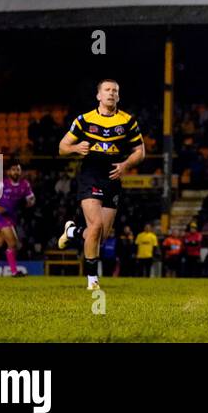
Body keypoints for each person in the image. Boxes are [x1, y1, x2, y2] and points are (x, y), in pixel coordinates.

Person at [57, 79, 145, 290]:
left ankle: (72, 232)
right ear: (98, 96)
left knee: (101, 236)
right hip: (91, 176)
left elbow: (140, 151)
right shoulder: (84, 120)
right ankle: (92, 280)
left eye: (115, 90)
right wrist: (76, 148)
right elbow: (62, 147)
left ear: (118, 96)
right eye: (107, 90)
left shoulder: (128, 121)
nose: (111, 93)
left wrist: (125, 165)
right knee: (95, 227)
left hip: (113, 178)